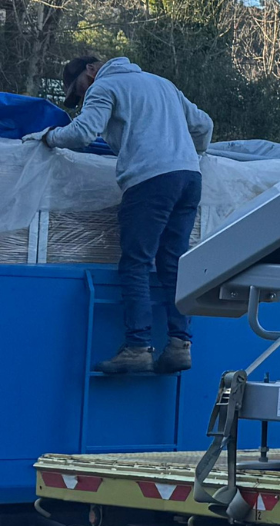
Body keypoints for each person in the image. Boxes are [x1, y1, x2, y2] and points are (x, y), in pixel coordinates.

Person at [41, 56, 213, 375]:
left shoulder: (105, 85)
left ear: (91, 69)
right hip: (189, 178)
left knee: (136, 261)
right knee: (173, 262)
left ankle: (137, 347)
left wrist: (49, 137)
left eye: (80, 88)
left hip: (150, 179)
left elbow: (83, 133)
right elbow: (203, 125)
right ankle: (179, 344)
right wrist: (195, 154)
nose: (83, 96)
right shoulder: (162, 84)